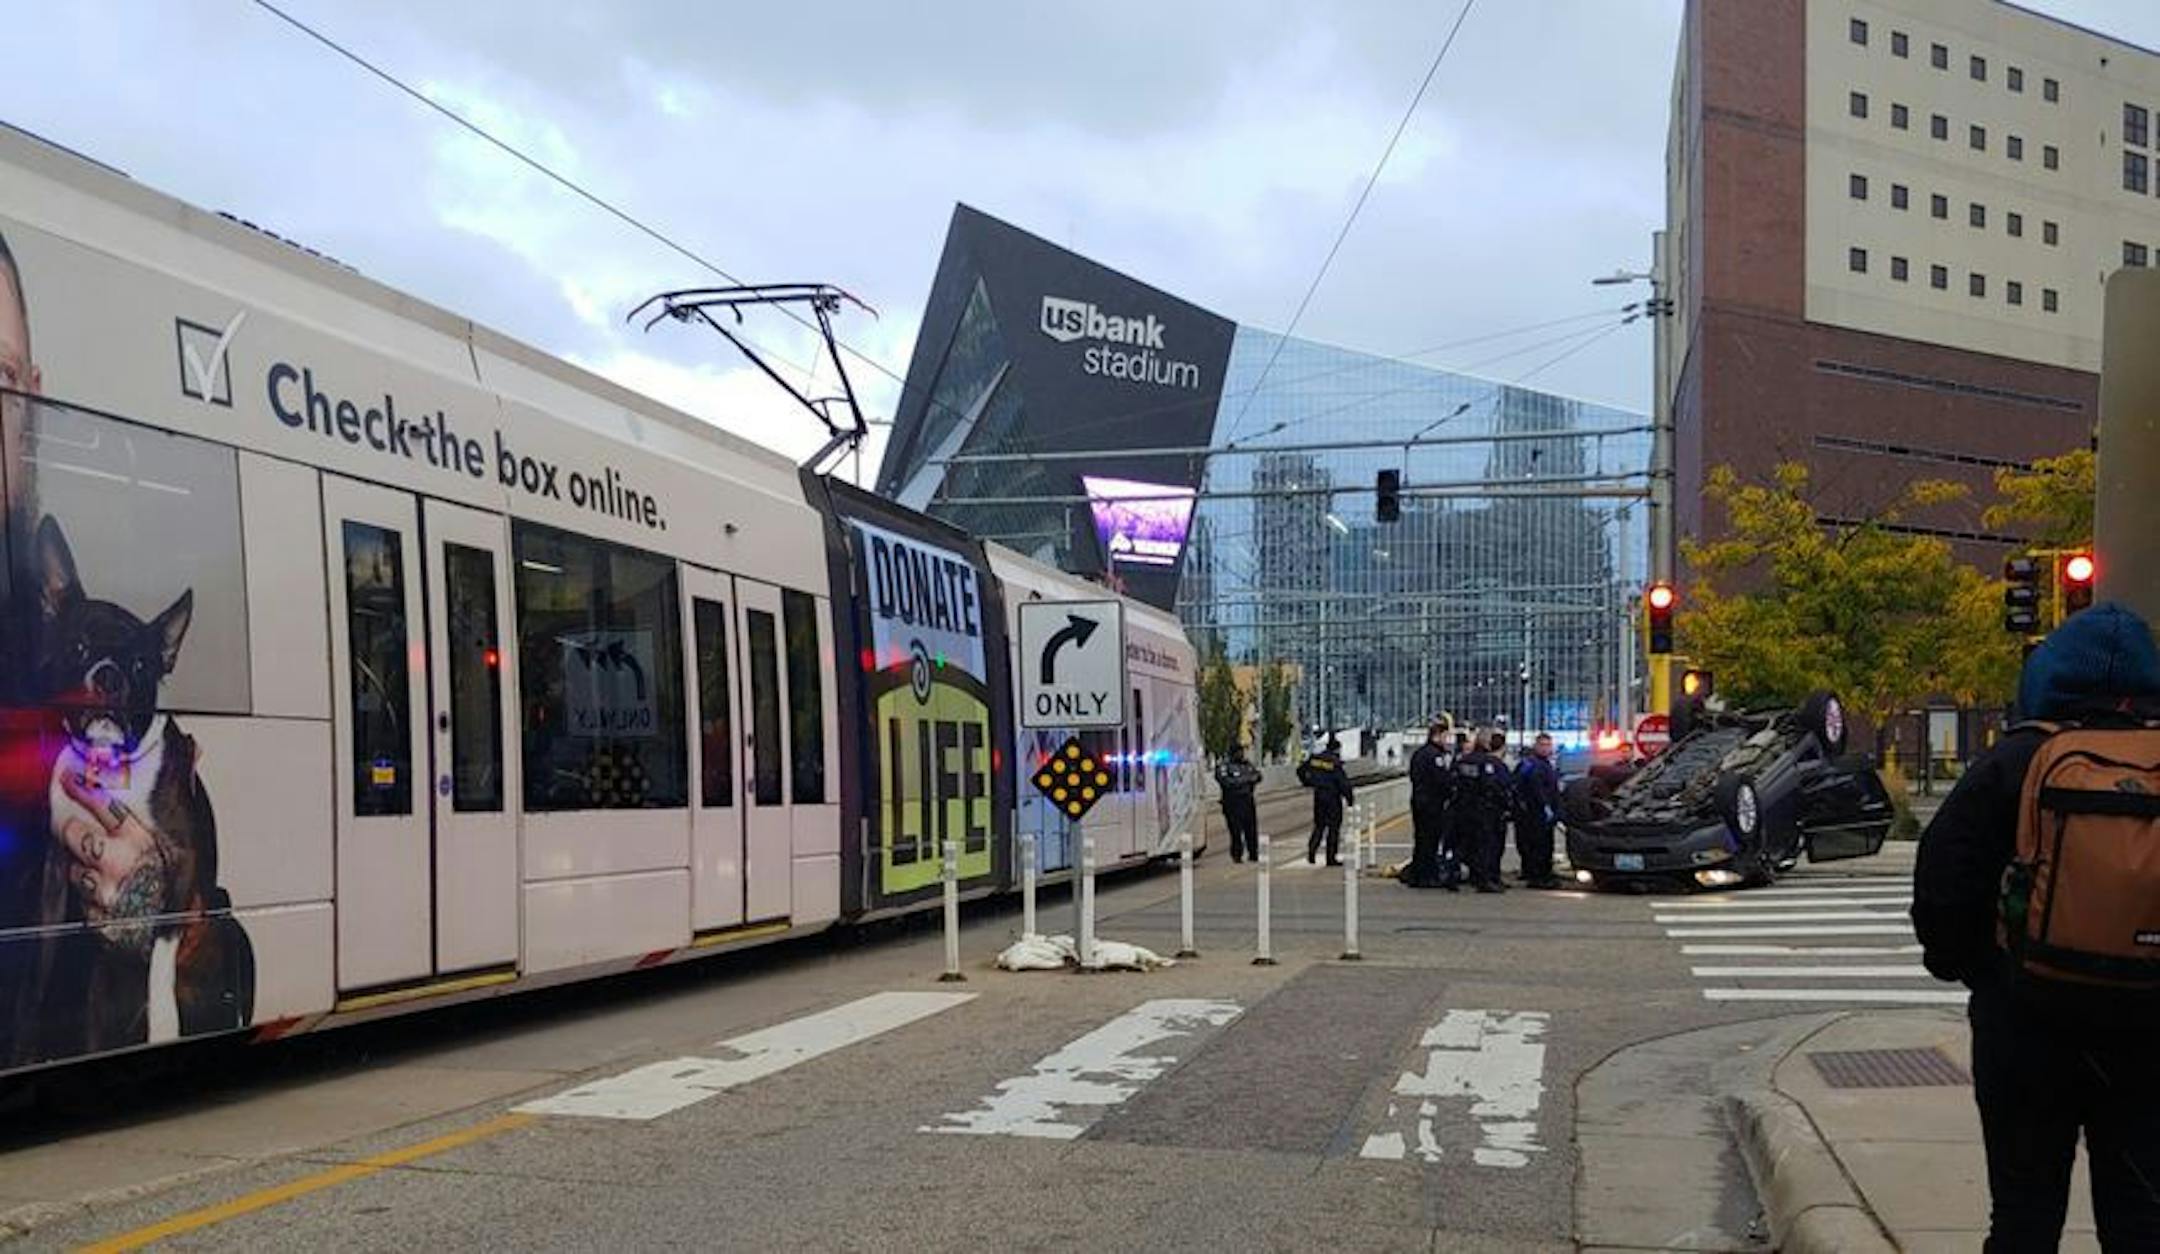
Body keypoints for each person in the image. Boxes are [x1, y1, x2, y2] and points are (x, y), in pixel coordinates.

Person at [1913, 601, 2160, 1251]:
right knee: (2141, 1216)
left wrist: (1985, 971)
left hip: (2026, 1026)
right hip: (2148, 1033)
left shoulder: (2013, 763)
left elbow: (1943, 882)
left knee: (2024, 1213)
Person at [1449, 729, 1511, 892]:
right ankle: (1483, 879)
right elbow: (1492, 786)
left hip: (1462, 808)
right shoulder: (1487, 762)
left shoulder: (1463, 761)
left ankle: (1452, 877)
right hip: (1483, 810)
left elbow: (1453, 780)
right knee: (1484, 845)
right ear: (1486, 743)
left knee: (1461, 844)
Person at [1401, 719, 1457, 888]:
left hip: (1419, 801)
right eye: (1445, 736)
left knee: (1420, 840)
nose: (1447, 740)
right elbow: (1442, 780)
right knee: (1430, 841)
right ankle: (1427, 876)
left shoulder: (1419, 754)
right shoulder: (1435, 756)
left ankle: (1417, 875)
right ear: (1437, 736)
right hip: (1432, 804)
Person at [1512, 733, 1564, 889]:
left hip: (1543, 813)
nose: (1546, 748)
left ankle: (1540, 873)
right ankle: (1538, 876)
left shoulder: (1546, 765)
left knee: (1544, 845)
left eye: (1548, 745)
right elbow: (1535, 789)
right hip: (1535, 813)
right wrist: (1544, 806)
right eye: (1543, 745)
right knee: (1539, 846)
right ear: (1536, 746)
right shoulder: (1532, 765)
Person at [1297, 735, 1354, 866]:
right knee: (1334, 828)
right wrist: (1350, 799)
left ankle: (1312, 852)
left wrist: (1308, 782)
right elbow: (1343, 783)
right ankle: (1331, 858)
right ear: (1337, 749)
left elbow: (1300, 770)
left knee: (1319, 826)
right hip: (1333, 798)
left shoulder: (1315, 759)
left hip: (1319, 796)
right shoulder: (1335, 762)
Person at [1213, 744, 1262, 864]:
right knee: (1235, 831)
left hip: (1247, 801)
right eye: (1238, 752)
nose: (1241, 754)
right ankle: (1237, 855)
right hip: (1232, 803)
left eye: (1242, 752)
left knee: (1251, 829)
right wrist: (1245, 781)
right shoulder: (1225, 766)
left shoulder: (1247, 765)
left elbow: (1257, 776)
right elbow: (1226, 782)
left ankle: (1253, 853)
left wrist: (1243, 781)